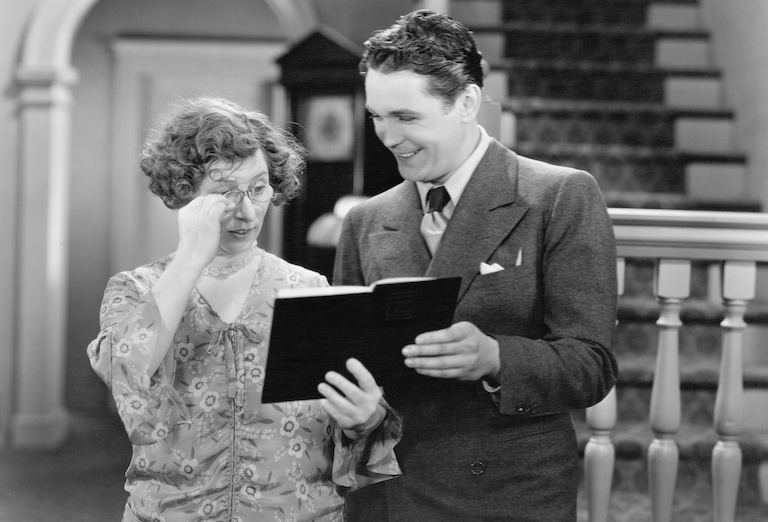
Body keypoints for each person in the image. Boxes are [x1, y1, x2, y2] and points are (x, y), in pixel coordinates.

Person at [333, 10, 618, 522]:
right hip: (389, 495)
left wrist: (494, 358)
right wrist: (359, 417)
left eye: (407, 117)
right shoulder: (364, 221)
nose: (388, 136)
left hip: (511, 493)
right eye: (377, 116)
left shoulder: (559, 196)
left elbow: (591, 365)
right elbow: (350, 367)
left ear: (466, 103)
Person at [87, 96, 402, 522]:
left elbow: (353, 428)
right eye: (224, 194)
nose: (247, 211)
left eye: (257, 188)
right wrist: (192, 255)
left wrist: (365, 419)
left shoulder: (307, 289)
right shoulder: (135, 290)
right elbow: (126, 373)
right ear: (185, 194)